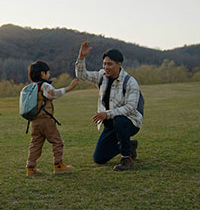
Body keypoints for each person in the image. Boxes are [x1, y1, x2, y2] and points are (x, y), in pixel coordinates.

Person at [75, 41, 142, 171]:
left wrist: (108, 114)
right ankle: (129, 145)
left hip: (129, 122)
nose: (106, 67)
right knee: (99, 158)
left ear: (119, 64)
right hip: (111, 124)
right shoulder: (102, 76)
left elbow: (131, 107)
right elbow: (82, 76)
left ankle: (126, 158)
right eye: (104, 63)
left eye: (110, 64)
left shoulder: (130, 82)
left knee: (119, 120)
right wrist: (81, 58)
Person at [26, 60, 79, 176]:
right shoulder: (44, 85)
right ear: (42, 74)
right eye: (48, 72)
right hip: (46, 120)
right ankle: (58, 165)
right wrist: (70, 87)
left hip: (34, 122)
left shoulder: (31, 87)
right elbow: (53, 94)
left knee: (35, 144)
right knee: (57, 142)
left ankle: (30, 167)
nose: (49, 74)